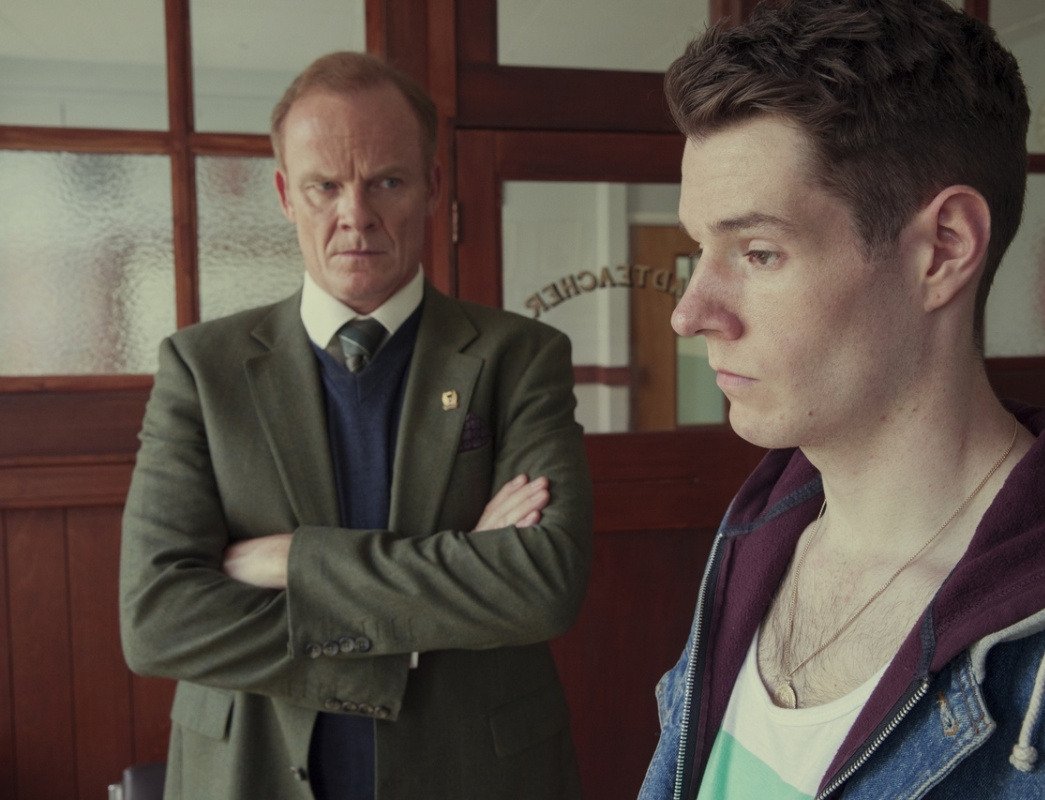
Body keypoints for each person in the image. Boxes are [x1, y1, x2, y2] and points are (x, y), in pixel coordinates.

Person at [120, 51, 592, 800]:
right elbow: (158, 621)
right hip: (250, 771)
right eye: (325, 186)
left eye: (387, 182)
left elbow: (541, 584)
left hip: (474, 770)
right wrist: (451, 581)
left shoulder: (521, 357)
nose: (356, 215)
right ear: (286, 194)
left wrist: (295, 564)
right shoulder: (201, 369)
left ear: (432, 185)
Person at [640, 1, 1045, 798]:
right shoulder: (759, 531)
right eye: (699, 249)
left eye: (758, 252)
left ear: (942, 249)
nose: (689, 314)